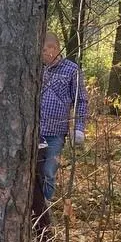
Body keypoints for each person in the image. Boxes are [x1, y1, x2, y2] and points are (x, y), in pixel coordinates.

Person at [39, 32, 89, 201]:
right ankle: (33, 210)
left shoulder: (71, 70)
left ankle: (45, 208)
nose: (42, 53)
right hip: (34, 131)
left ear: (54, 49)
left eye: (44, 49)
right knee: (32, 172)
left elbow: (81, 100)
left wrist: (79, 129)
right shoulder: (36, 68)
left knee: (49, 171)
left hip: (56, 133)